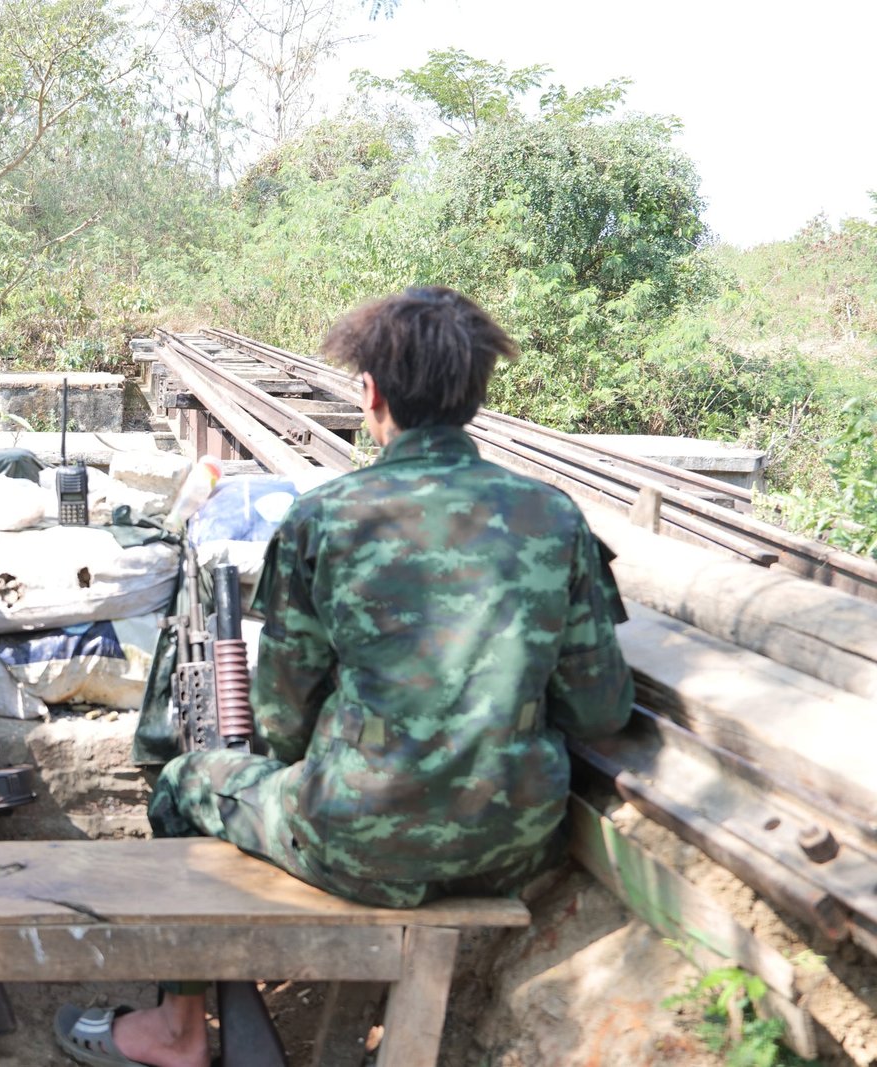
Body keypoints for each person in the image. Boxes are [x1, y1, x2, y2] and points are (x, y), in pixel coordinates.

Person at [56, 286, 635, 1067]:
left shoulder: (324, 518)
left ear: (369, 394)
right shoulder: (556, 515)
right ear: (477, 393)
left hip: (360, 840)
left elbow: (283, 718)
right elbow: (601, 708)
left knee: (184, 782)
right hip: (517, 840)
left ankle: (178, 1028)